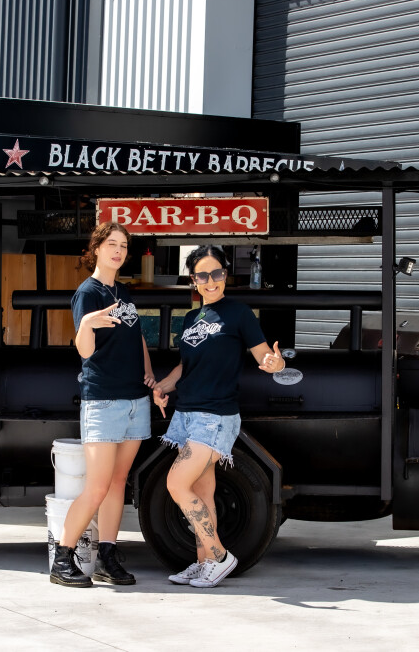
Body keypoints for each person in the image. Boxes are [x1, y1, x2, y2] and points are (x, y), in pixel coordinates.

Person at [152, 245, 284, 588]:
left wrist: (275, 363)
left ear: (225, 275)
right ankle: (204, 562)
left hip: (215, 416)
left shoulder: (238, 314)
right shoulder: (190, 319)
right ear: (193, 280)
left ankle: (220, 555)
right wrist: (162, 386)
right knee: (202, 491)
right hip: (187, 413)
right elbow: (186, 366)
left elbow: (264, 356)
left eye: (217, 273)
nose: (211, 281)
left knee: (176, 483)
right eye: (203, 275)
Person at [50, 221, 156, 588]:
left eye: (123, 245)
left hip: (135, 399)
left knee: (117, 482)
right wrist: (87, 324)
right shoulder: (88, 293)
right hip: (104, 401)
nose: (118, 251)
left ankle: (107, 558)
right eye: (111, 244)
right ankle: (62, 560)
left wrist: (148, 373)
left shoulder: (123, 291)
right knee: (96, 487)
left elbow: (136, 337)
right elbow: (85, 352)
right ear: (96, 248)